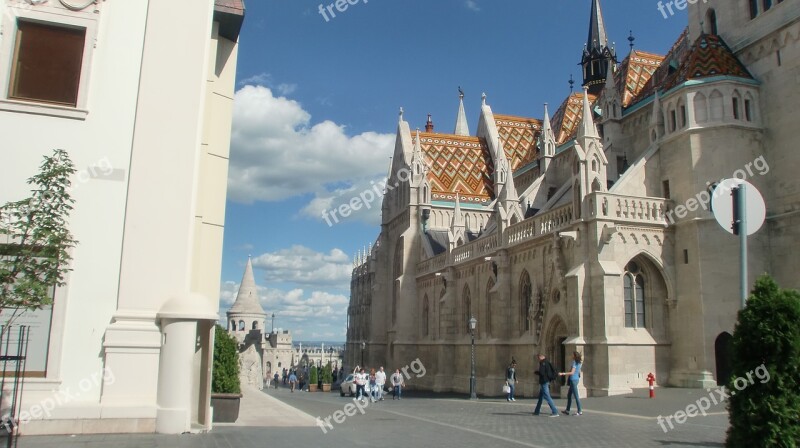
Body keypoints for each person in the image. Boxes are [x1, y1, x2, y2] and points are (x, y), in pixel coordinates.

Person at [559, 351, 583, 416]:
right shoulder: (580, 363)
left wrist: (563, 373)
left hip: (573, 380)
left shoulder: (574, 363)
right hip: (576, 379)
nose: (571, 356)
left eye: (572, 355)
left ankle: (579, 410)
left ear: (574, 356)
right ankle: (567, 410)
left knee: (576, 396)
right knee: (569, 395)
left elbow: (572, 372)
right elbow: (578, 371)